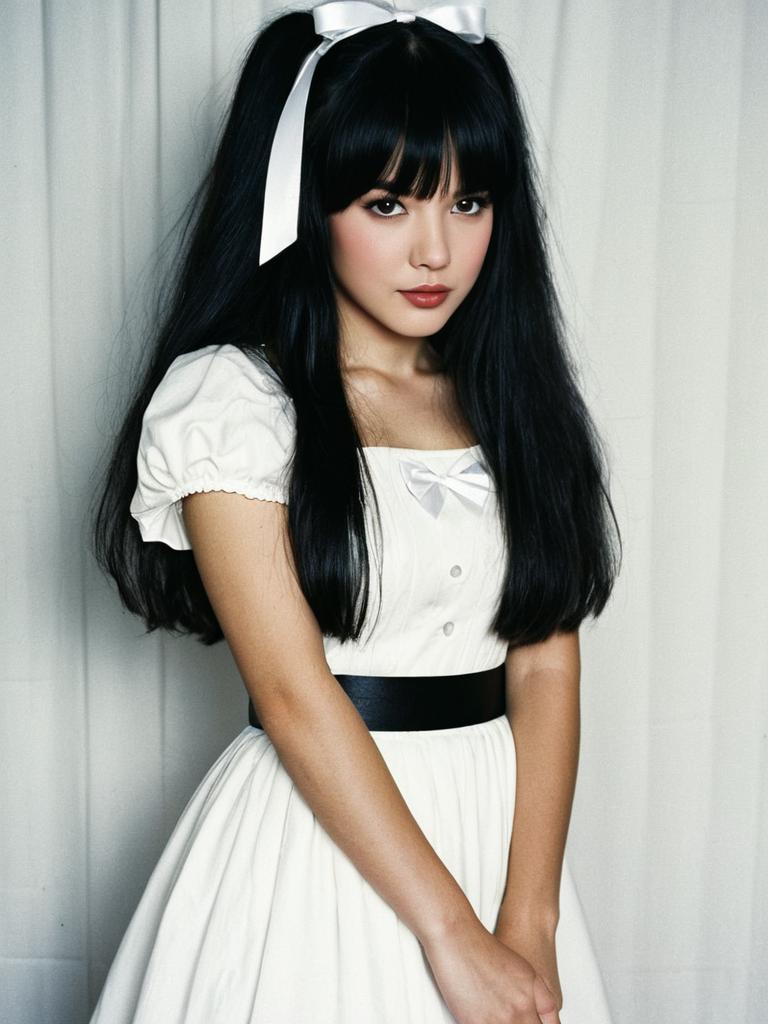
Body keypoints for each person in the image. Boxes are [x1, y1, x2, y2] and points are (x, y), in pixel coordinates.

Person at [89, 1, 622, 1021]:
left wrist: (530, 918)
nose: (436, 251)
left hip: (497, 842)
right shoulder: (233, 402)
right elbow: (291, 691)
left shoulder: (510, 397)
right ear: (308, 202)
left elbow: (547, 664)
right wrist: (449, 932)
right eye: (388, 204)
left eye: (469, 203)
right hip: (320, 839)